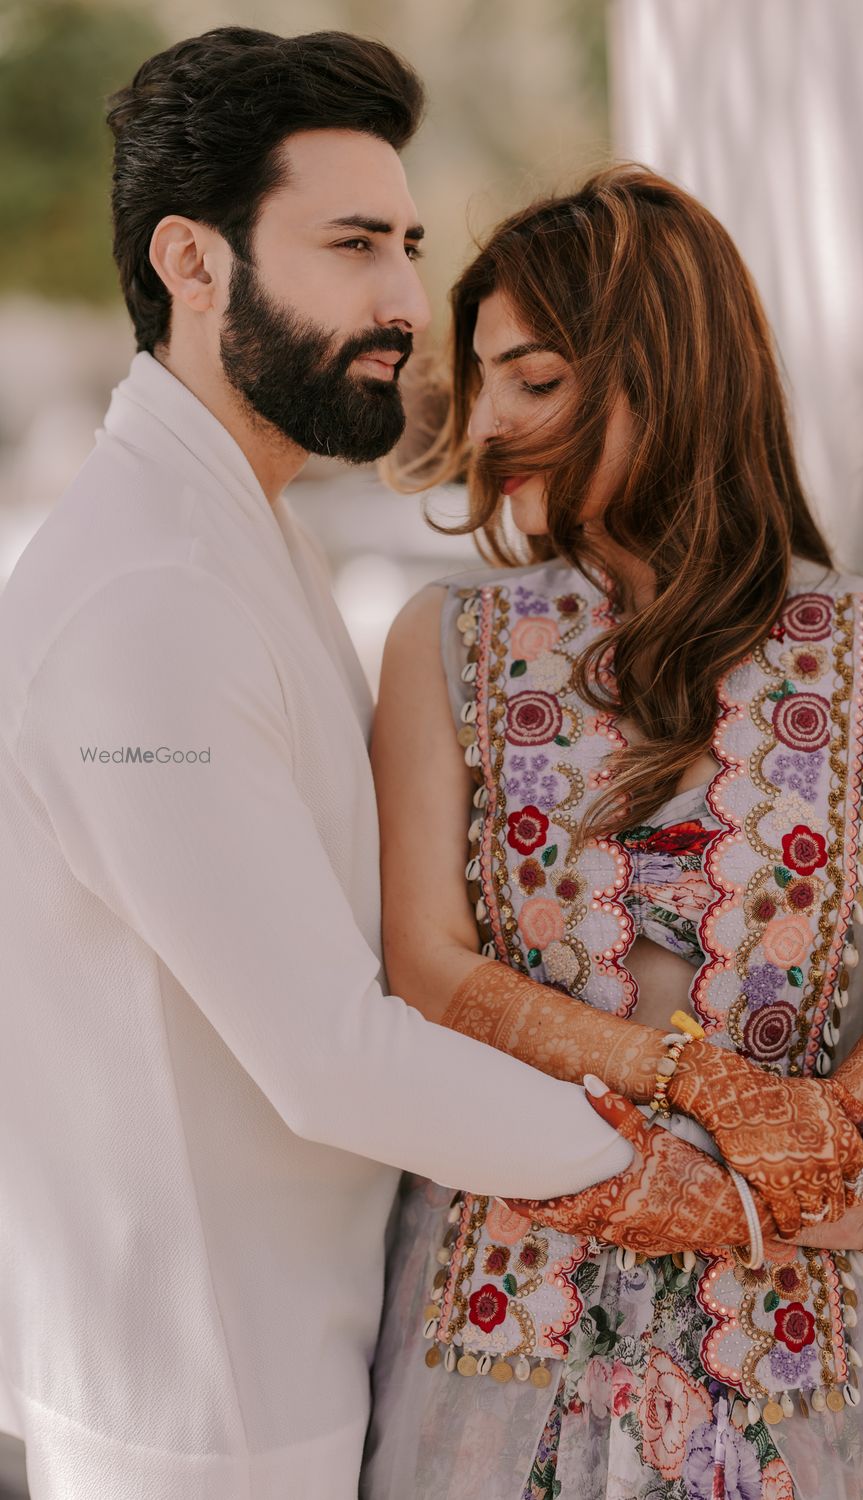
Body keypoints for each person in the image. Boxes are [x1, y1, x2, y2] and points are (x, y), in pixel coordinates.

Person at [0, 30, 685, 1500]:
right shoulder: (149, 600)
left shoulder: (239, 534)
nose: (400, 300)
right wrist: (695, 1180)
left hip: (291, 1362)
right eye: (353, 242)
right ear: (193, 261)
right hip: (209, 1416)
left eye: (409, 243)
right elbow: (327, 1053)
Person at [361, 166, 863, 1499]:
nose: (485, 425)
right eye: (480, 383)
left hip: (789, 1338)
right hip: (504, 1319)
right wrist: (707, 1085)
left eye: (531, 380)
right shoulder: (448, 642)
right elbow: (427, 964)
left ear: (667, 366)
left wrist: (816, 1154)